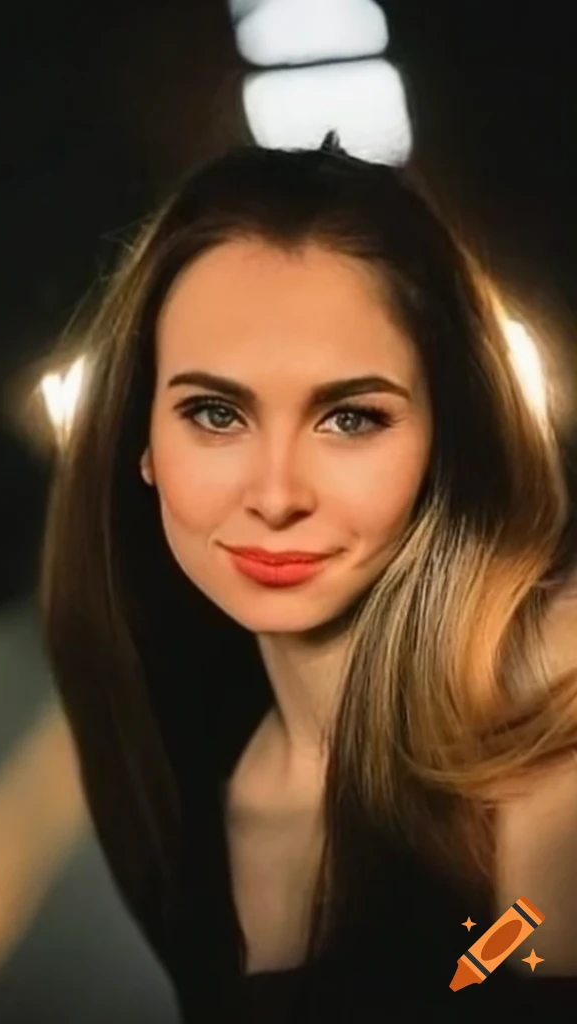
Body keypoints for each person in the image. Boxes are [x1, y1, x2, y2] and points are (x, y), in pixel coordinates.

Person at [38, 137, 577, 1022]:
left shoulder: (548, 724)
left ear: (449, 437)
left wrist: (481, 965)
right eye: (215, 414)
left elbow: (502, 962)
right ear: (142, 443)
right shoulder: (191, 778)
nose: (278, 496)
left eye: (351, 418)